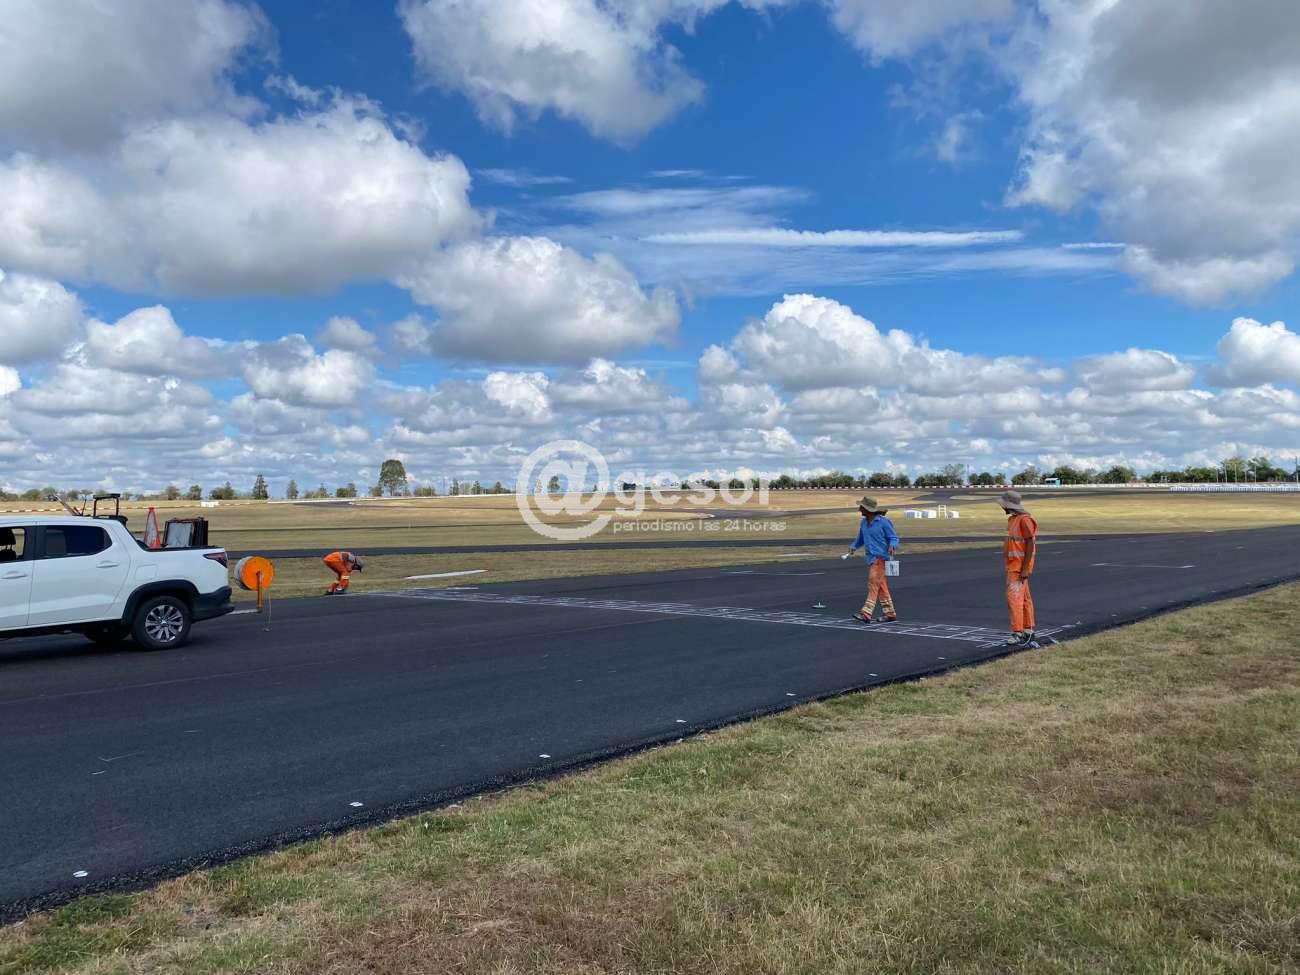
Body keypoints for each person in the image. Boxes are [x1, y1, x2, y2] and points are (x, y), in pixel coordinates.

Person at [843, 496, 900, 624]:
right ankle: (890, 614)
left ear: (868, 509)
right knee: (881, 587)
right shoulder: (863, 523)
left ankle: (866, 613)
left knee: (873, 583)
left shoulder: (883, 522)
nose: (859, 509)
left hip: (882, 558)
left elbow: (894, 537)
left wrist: (892, 545)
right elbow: (860, 538)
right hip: (871, 558)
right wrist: (853, 546)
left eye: (861, 507)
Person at [998, 490, 1038, 647]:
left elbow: (1030, 543)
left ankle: (1018, 633)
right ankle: (1028, 630)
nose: (1002, 507)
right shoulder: (1013, 520)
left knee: (1014, 598)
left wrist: (1025, 568)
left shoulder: (1025, 520)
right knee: (1024, 598)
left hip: (1019, 567)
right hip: (1014, 565)